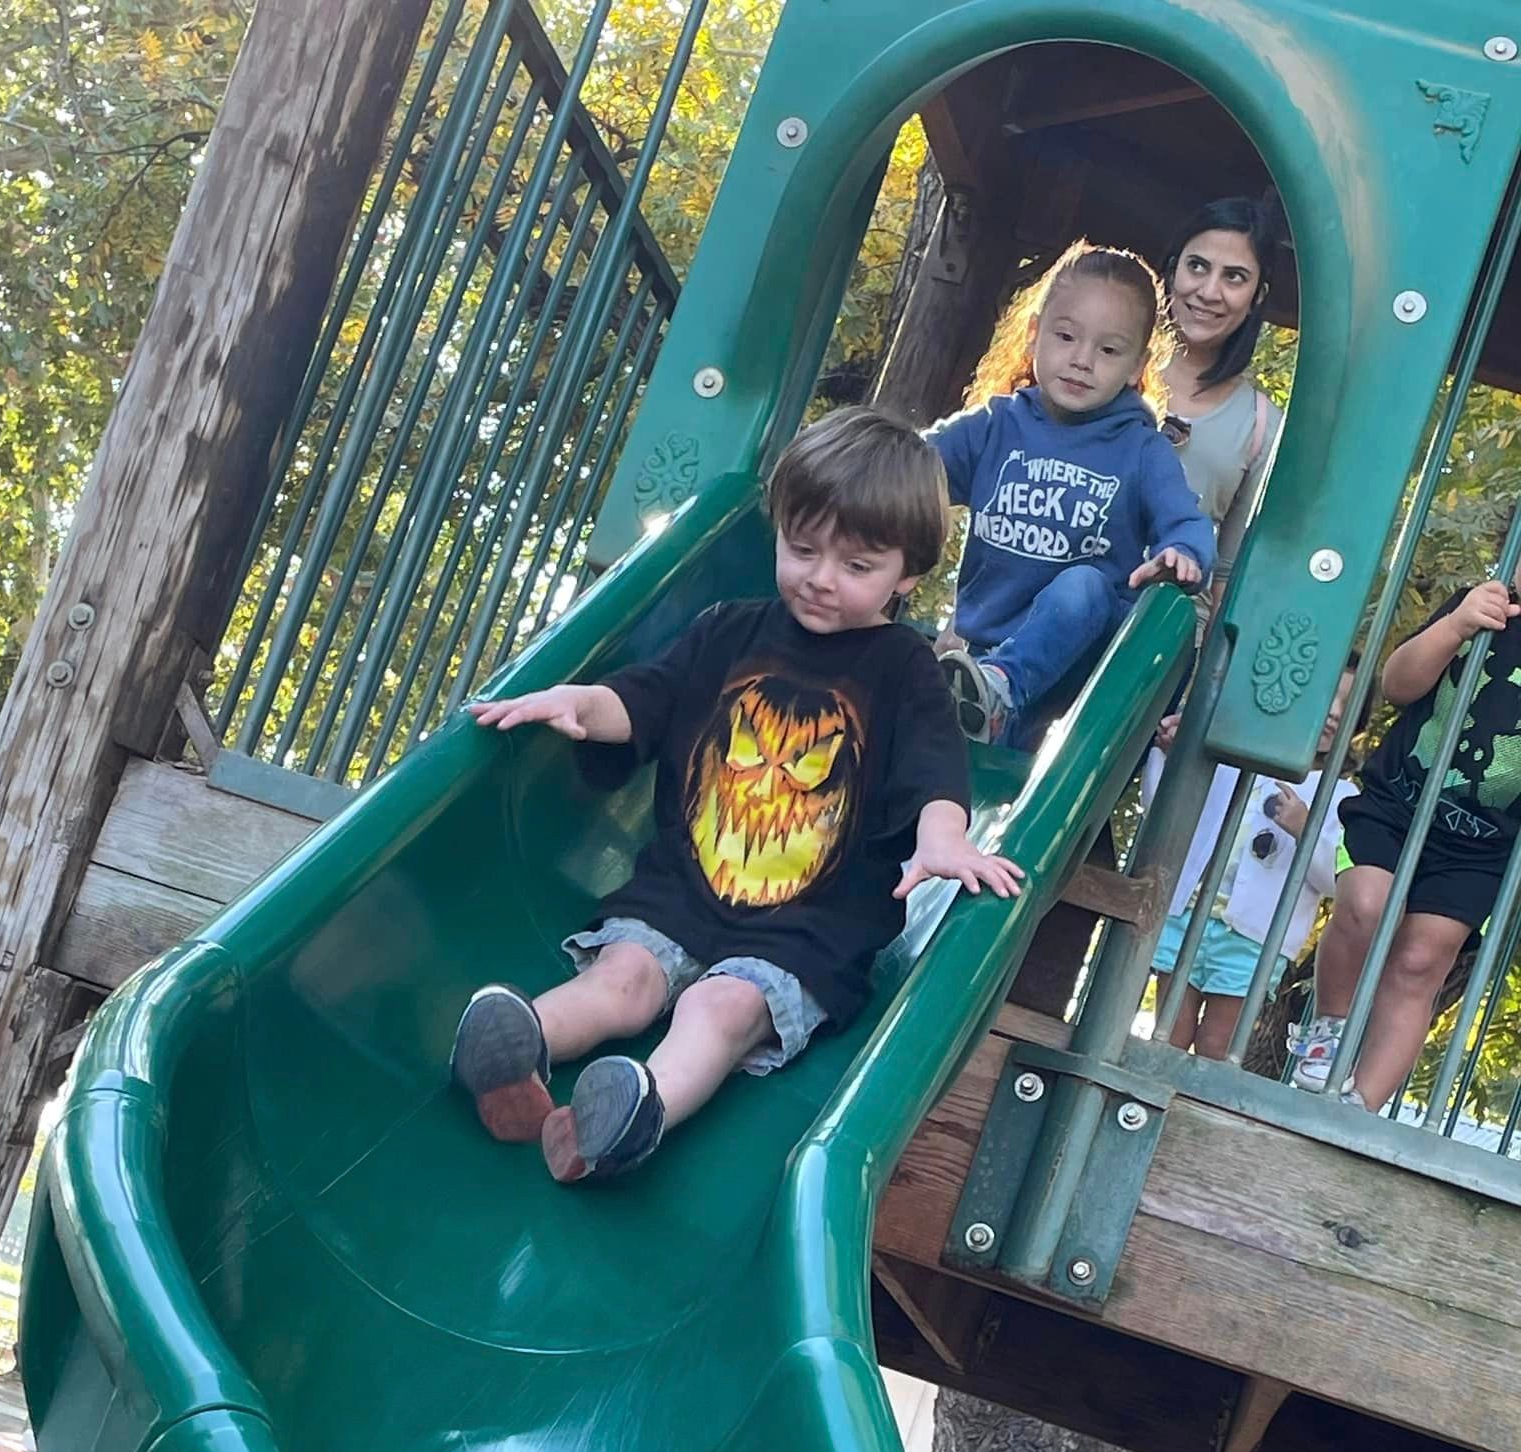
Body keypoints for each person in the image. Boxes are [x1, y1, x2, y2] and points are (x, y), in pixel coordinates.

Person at [450, 406, 1022, 1184]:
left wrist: (943, 839)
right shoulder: (728, 631)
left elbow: (935, 770)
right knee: (621, 980)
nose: (821, 578)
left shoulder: (904, 669)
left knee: (718, 1009)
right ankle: (516, 1049)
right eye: (803, 549)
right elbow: (646, 700)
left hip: (808, 931)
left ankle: (635, 1113)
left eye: (857, 566)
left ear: (908, 574)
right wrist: (578, 703)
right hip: (681, 893)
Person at [923, 240, 1214, 749]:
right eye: (1065, 336)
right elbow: (907, 466)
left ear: (1136, 366)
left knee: (1084, 584)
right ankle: (989, 695)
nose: (1082, 360)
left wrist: (1182, 554)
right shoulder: (995, 426)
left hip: (1079, 668)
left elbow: (1187, 522)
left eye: (1108, 351)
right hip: (984, 656)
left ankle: (1001, 687)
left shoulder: (1142, 450)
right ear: (1035, 333)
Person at [1294, 580, 1521, 1106]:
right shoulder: (1480, 602)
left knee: (1421, 960)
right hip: (1397, 804)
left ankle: (1360, 1106)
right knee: (1367, 906)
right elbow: (1397, 686)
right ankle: (1331, 1027)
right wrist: (1457, 624)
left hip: (1480, 848)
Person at [1144, 660, 1359, 1059]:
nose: (1333, 713)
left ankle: (1191, 1100)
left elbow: (1336, 879)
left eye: (1347, 705)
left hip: (1255, 937)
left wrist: (1305, 828)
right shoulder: (1232, 757)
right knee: (1168, 1031)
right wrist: (1170, 754)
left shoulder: (1340, 795)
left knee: (1217, 1044)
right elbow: (1164, 808)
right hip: (1188, 913)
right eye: (1326, 697)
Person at [1159, 197, 1284, 635]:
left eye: (1234, 277)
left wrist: (1200, 673)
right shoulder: (1104, 368)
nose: (1209, 291)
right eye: (1197, 266)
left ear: (1257, 296)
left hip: (1161, 638)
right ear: (1172, 269)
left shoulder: (1262, 425)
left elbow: (1228, 575)